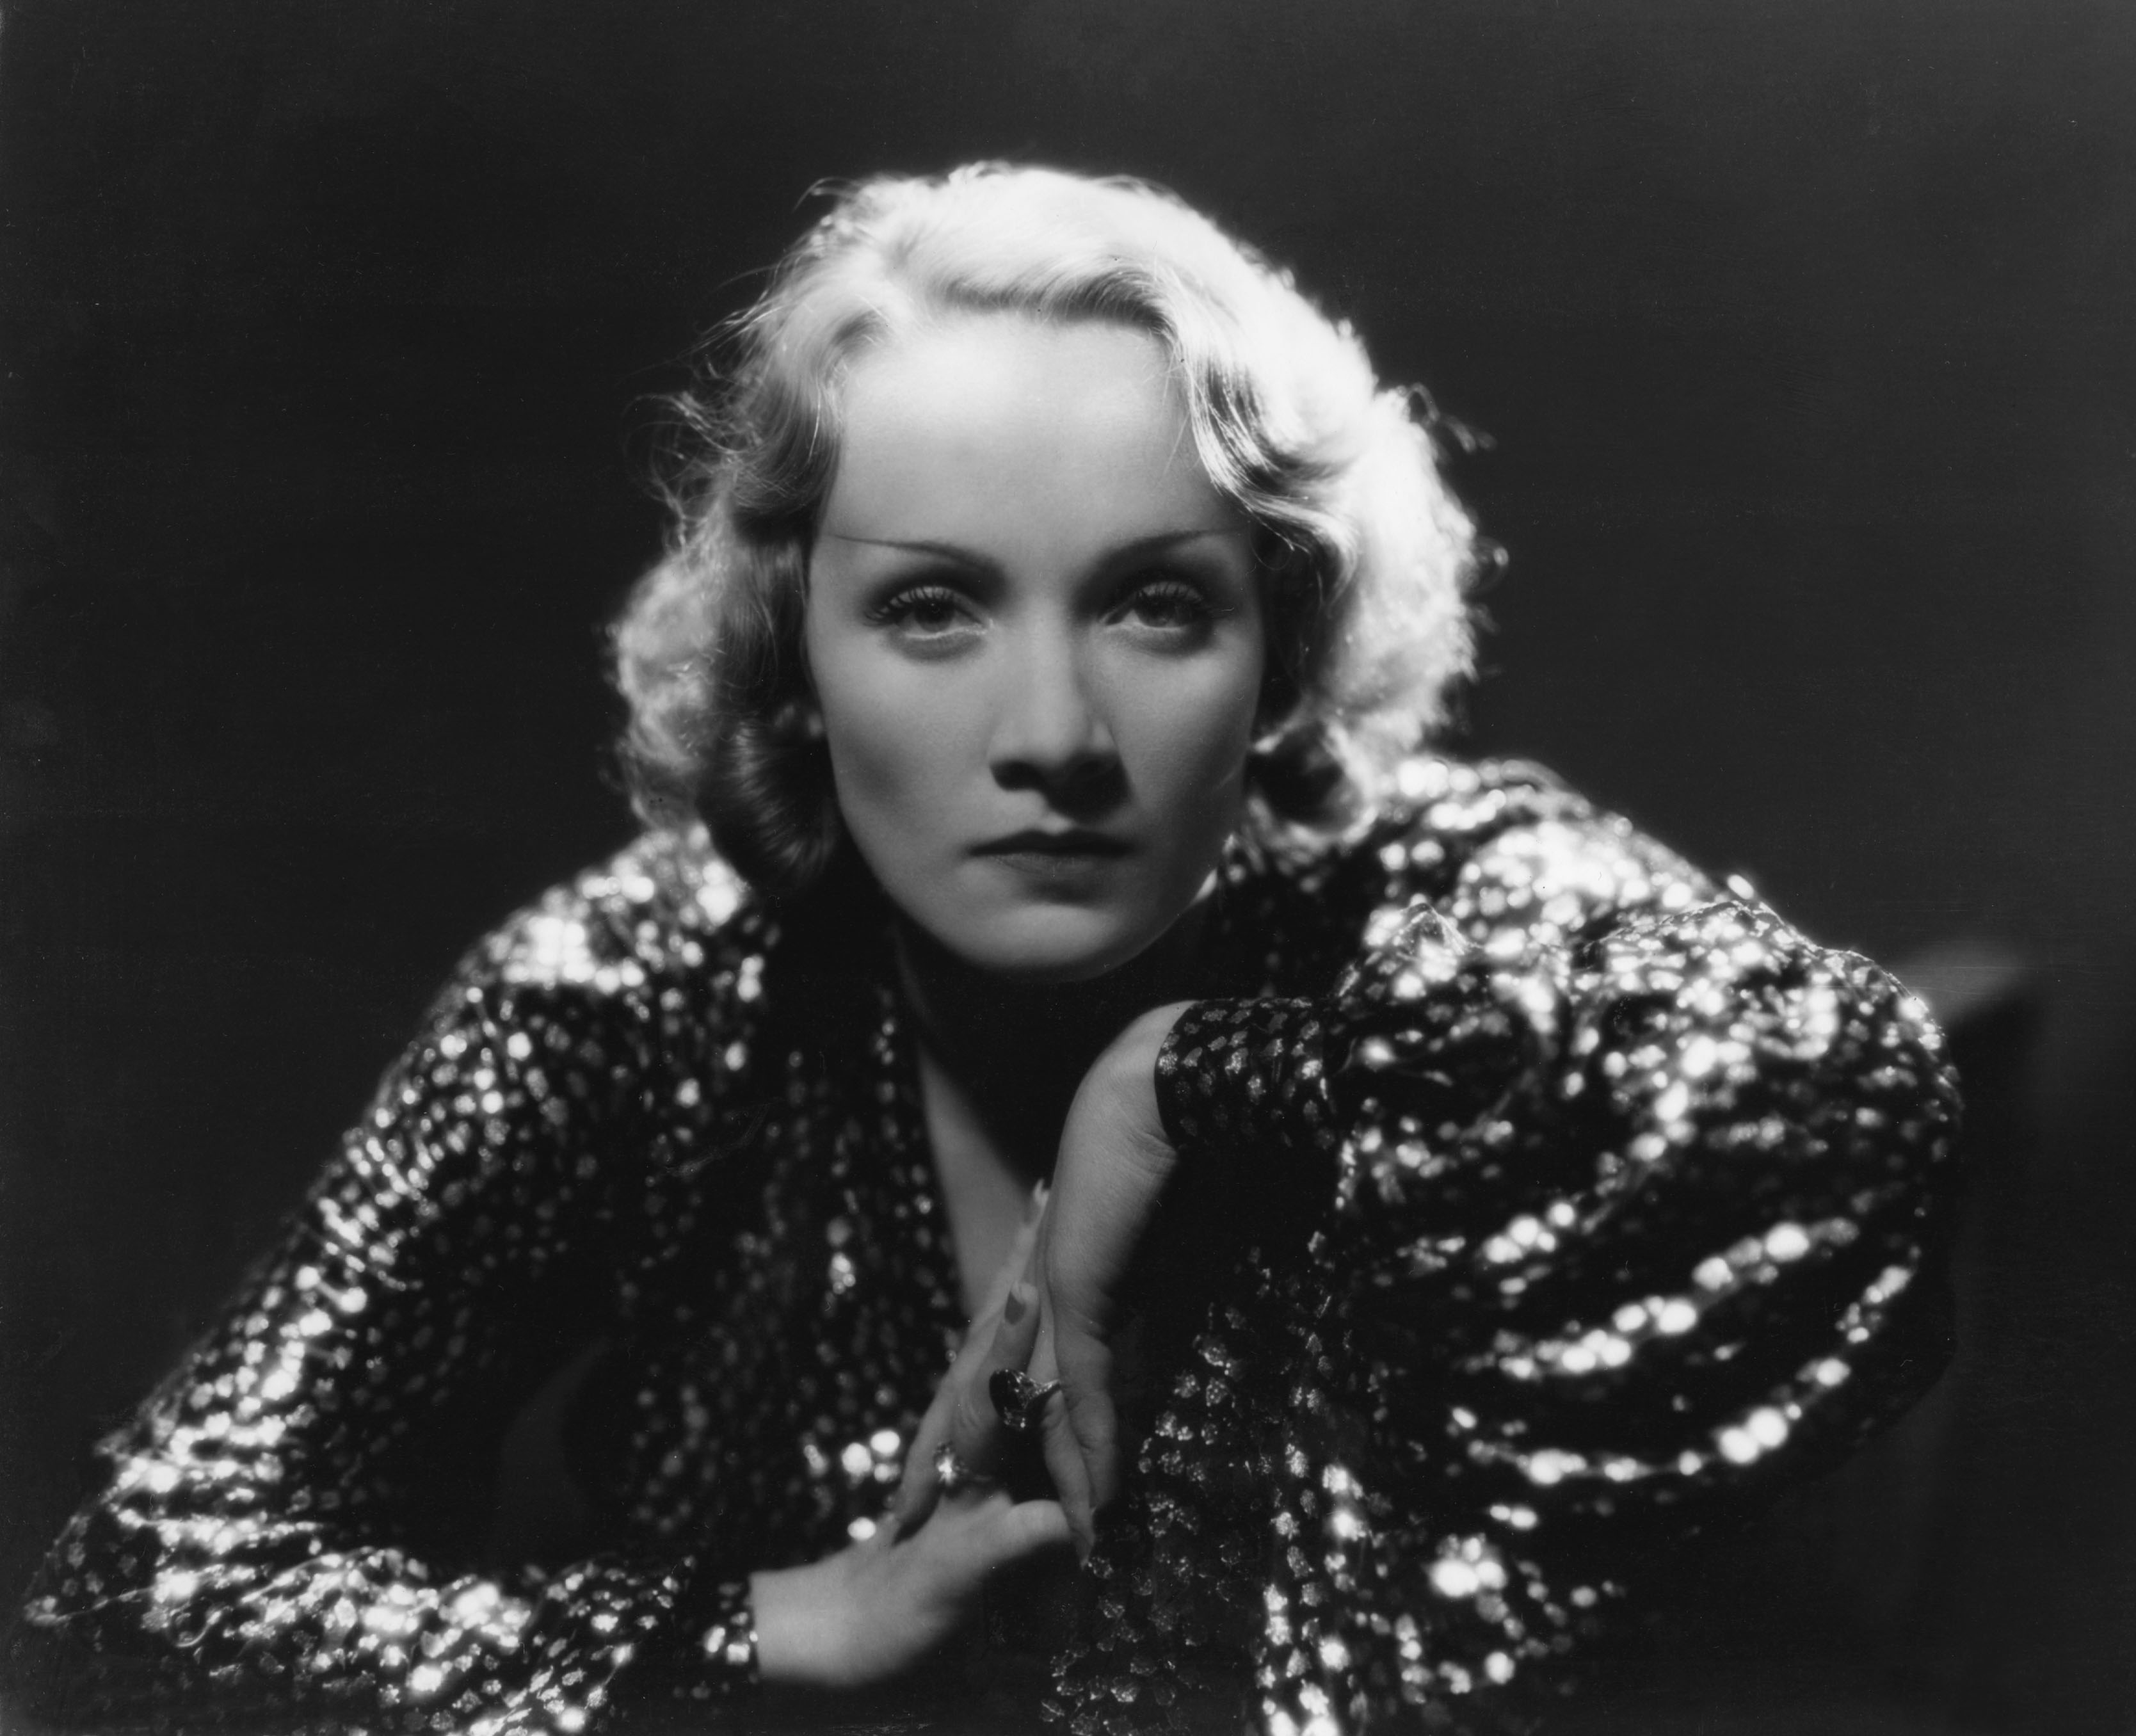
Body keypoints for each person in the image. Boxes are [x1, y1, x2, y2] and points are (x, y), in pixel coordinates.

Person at [7, 165, 1961, 1735]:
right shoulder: (633, 993)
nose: (1052, 735)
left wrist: (1177, 1080)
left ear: (1278, 648)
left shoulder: (1425, 891)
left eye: (1154, 606)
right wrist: (778, 1627)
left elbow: (1842, 1089)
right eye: (933, 608)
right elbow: (133, 1598)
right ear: (795, 655)